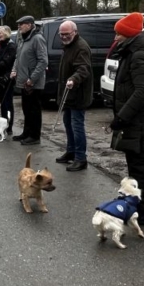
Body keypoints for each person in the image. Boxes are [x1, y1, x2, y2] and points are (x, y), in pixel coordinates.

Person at [109, 12, 144, 225]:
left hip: (139, 123)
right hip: (137, 123)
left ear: (128, 34)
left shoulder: (139, 56)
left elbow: (143, 91)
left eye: (118, 34)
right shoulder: (133, 52)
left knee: (140, 170)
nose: (115, 38)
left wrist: (122, 116)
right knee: (143, 167)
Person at [55, 20, 93, 172]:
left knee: (77, 126)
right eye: (61, 35)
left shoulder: (81, 47)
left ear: (75, 32)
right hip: (68, 95)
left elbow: (83, 69)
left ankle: (80, 158)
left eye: (67, 34)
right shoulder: (68, 46)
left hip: (78, 95)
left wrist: (74, 79)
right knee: (68, 123)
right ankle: (71, 151)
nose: (64, 37)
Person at [10, 15, 48, 145]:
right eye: (19, 24)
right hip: (23, 82)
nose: (19, 26)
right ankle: (26, 133)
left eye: (22, 24)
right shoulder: (22, 39)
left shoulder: (37, 39)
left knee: (34, 110)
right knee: (26, 109)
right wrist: (14, 69)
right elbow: (18, 57)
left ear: (30, 25)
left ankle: (34, 136)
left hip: (33, 84)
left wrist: (32, 79)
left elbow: (43, 61)